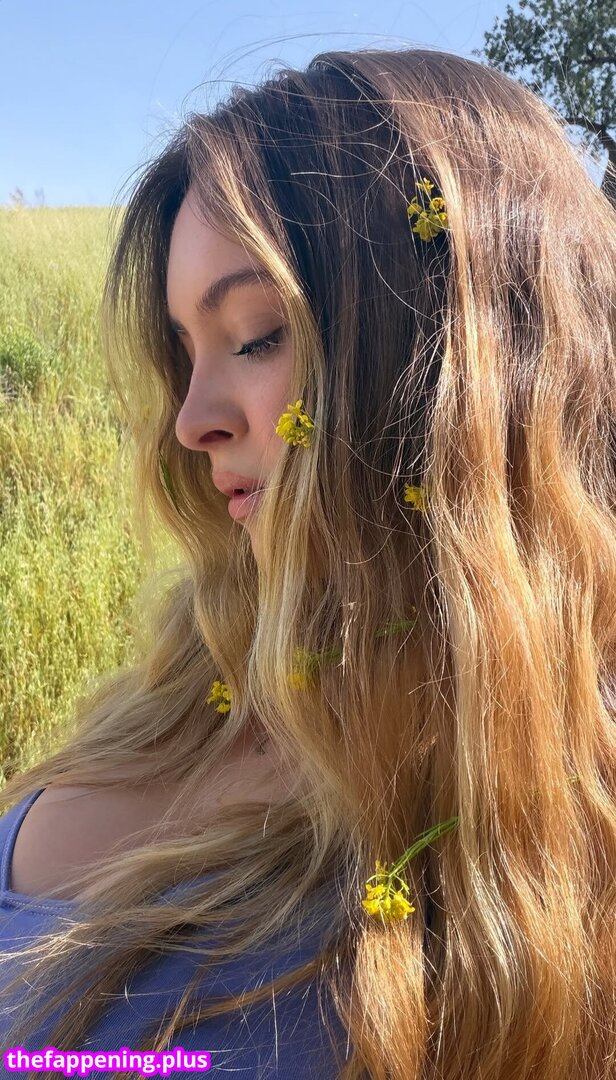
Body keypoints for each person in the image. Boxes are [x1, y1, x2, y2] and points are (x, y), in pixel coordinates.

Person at [0, 44, 615, 1080]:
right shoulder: (192, 685)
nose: (190, 420)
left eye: (254, 335)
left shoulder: (551, 837)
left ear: (457, 362)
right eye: (184, 352)